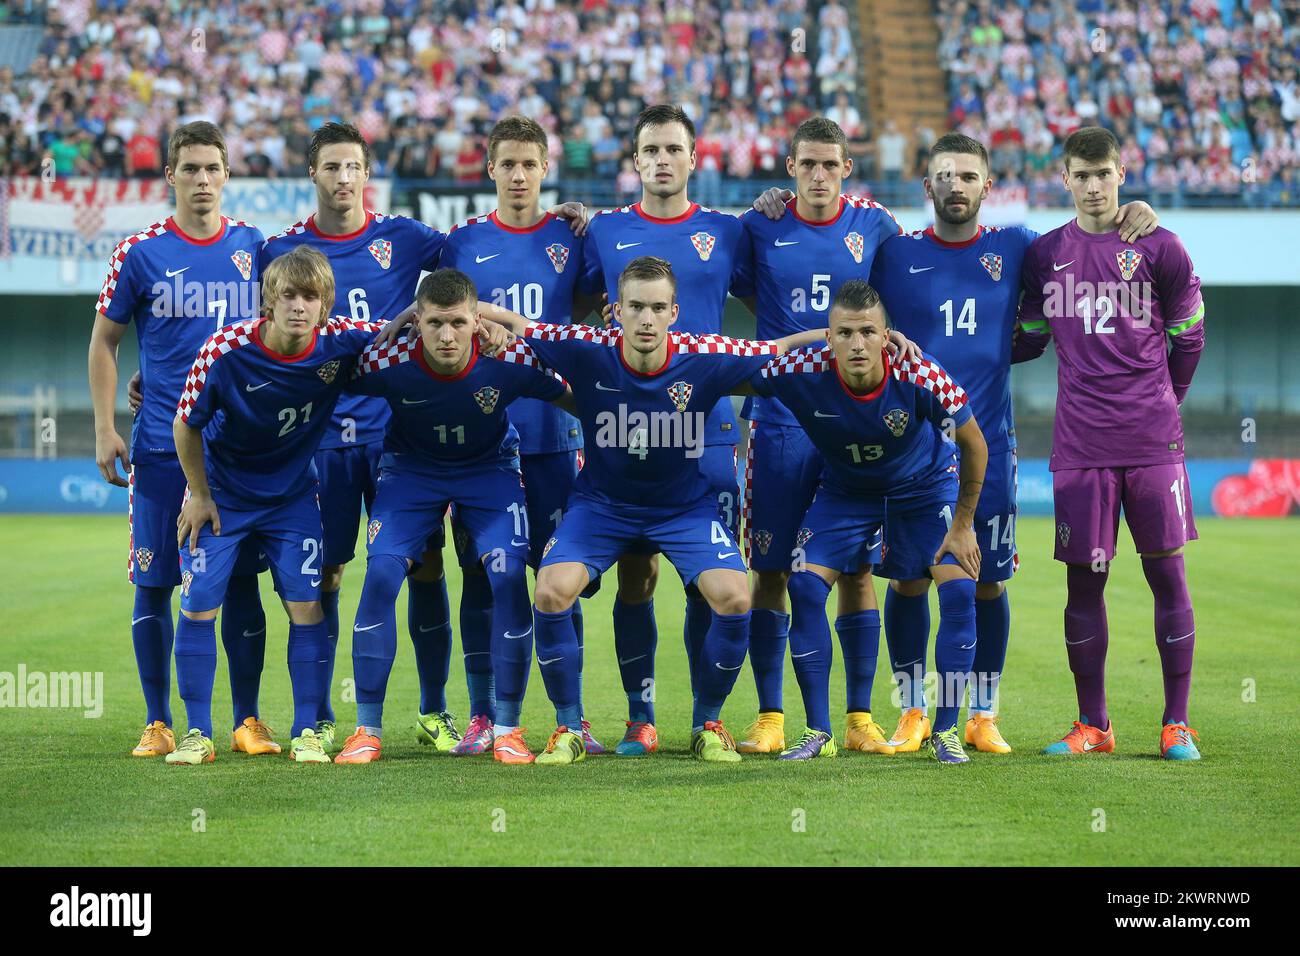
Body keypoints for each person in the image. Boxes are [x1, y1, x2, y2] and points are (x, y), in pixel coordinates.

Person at [869, 132, 1160, 754]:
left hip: (989, 446)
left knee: (987, 581)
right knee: (909, 580)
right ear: (927, 188)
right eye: (943, 176)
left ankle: (982, 713)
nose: (956, 186)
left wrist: (1133, 216)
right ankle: (913, 710)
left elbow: (1085, 244)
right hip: (911, 449)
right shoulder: (892, 255)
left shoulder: (1020, 248)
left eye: (968, 177)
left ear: (986, 188)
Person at [487, 256, 827, 764]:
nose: (646, 319)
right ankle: (570, 727)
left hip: (683, 509)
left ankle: (708, 722)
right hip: (602, 506)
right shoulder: (585, 348)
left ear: (675, 312)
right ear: (616, 311)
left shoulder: (705, 354)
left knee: (735, 598)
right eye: (637, 308)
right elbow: (514, 323)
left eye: (657, 308)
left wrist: (844, 334)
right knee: (552, 592)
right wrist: (453, 315)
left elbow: (776, 350)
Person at [1015, 127, 1206, 761]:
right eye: (1081, 175)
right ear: (1064, 179)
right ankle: (1093, 724)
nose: (1093, 186)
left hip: (1152, 445)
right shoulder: (1045, 256)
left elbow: (1191, 338)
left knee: (1165, 574)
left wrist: (1162, 407)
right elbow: (1030, 337)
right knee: (1084, 585)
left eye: (1103, 174)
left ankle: (1176, 723)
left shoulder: (1161, 247)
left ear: (1121, 173)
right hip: (1081, 447)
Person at [335, 269, 575, 765]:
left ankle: (506, 729)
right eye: (436, 323)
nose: (447, 336)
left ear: (477, 321)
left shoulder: (506, 356)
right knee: (380, 574)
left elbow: (578, 391)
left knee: (508, 576)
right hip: (411, 473)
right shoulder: (387, 356)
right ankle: (366, 729)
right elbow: (315, 373)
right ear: (415, 321)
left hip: (489, 471)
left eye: (459, 323)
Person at [88, 121, 271, 759]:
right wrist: (107, 424)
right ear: (170, 176)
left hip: (236, 449)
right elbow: (105, 340)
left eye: (211, 169)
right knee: (155, 583)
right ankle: (159, 720)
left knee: (242, 584)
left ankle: (247, 720)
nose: (200, 180)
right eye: (188, 169)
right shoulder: (139, 253)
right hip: (161, 451)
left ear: (226, 176)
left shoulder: (254, 245)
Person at [751, 279, 987, 762]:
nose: (857, 344)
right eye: (843, 333)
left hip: (924, 490)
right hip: (846, 492)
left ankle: (943, 730)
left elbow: (976, 445)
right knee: (804, 587)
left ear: (887, 336)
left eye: (867, 332)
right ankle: (819, 731)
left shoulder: (918, 371)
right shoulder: (805, 366)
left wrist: (962, 525)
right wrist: (807, 338)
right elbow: (744, 360)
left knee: (959, 588)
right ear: (828, 338)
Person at [168, 246, 382, 765]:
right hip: (224, 497)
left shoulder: (341, 343)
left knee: (307, 608)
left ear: (326, 304)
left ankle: (307, 730)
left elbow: (409, 326)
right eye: (288, 294)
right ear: (269, 299)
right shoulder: (226, 349)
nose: (299, 306)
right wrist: (198, 494)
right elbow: (185, 423)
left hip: (291, 500)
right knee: (199, 605)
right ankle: (198, 732)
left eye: (311, 296)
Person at [436, 115, 606, 757]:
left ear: (544, 169)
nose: (517, 175)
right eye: (506, 163)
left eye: (529, 164)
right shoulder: (461, 242)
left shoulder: (572, 239)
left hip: (553, 438)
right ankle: (484, 715)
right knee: (482, 578)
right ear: (490, 169)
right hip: (480, 445)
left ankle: (572, 717)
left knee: (561, 578)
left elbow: (591, 311)